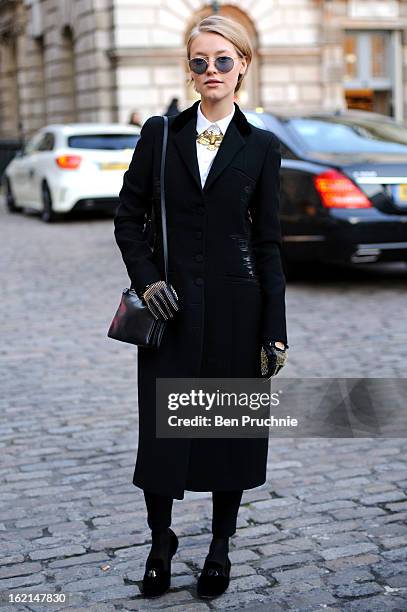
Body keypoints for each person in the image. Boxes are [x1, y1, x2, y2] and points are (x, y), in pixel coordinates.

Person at [113, 14, 288, 599]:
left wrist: (275, 330)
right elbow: (127, 219)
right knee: (163, 438)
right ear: (188, 71)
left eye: (222, 60)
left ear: (243, 66)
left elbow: (267, 244)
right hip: (171, 312)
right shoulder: (160, 134)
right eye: (199, 62)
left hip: (240, 313)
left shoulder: (262, 147)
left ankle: (219, 547)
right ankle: (161, 542)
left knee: (227, 436)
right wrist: (147, 279)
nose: (210, 71)